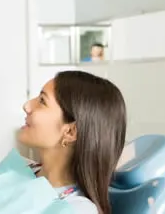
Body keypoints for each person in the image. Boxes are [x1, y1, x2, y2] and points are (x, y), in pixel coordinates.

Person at [18, 70, 127, 214]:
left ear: (70, 132)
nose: (27, 106)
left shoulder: (76, 209)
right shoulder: (19, 170)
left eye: (42, 101)